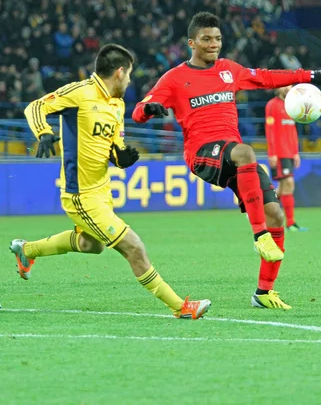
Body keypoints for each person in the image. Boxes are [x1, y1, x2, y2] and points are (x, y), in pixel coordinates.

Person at [132, 12, 321, 310]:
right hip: (202, 154)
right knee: (246, 152)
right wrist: (149, 108)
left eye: (217, 38)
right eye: (206, 39)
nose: (213, 44)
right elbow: (139, 110)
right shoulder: (175, 78)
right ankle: (259, 235)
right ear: (192, 43)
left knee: (276, 215)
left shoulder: (230, 70)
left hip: (232, 157)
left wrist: (312, 76)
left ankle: (264, 292)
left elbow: (267, 77)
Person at [13, 44, 210, 320]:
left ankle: (27, 249)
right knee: (134, 246)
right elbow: (35, 107)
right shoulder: (79, 93)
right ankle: (181, 307)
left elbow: (113, 147)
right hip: (80, 194)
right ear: (119, 73)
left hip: (102, 189)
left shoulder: (117, 105)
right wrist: (44, 132)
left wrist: (121, 158)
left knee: (90, 245)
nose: (129, 81)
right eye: (128, 75)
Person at [265, 86, 306, 232]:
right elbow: (270, 130)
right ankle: (290, 223)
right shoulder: (272, 105)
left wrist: (296, 152)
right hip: (279, 153)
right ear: (277, 88)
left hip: (289, 152)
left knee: (283, 188)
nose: (287, 88)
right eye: (284, 86)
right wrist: (272, 153)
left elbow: (292, 130)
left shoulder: (292, 105)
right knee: (288, 183)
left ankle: (259, 211)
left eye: (290, 86)